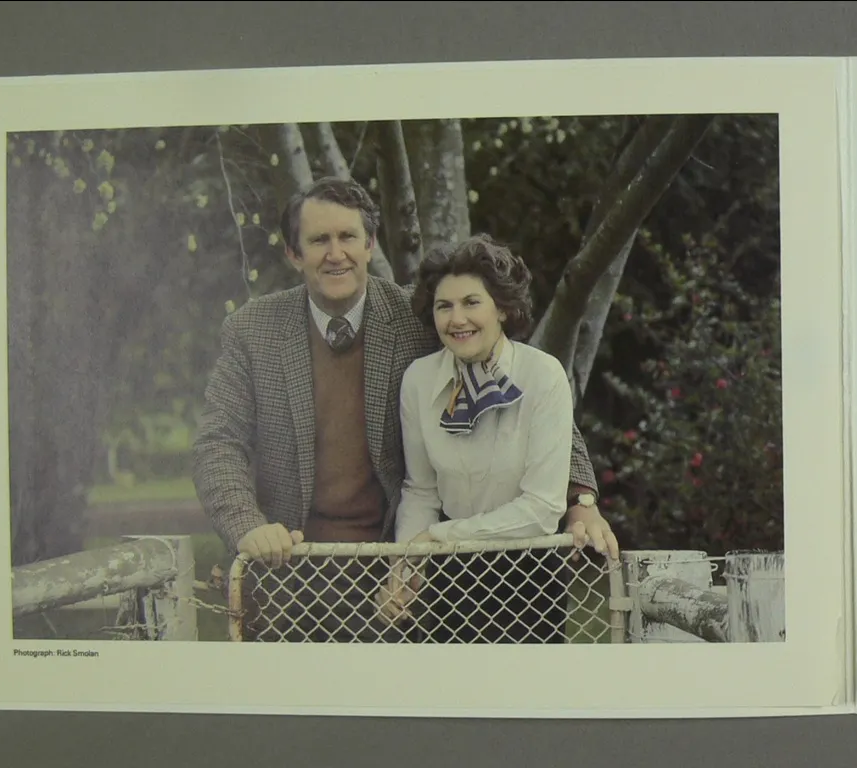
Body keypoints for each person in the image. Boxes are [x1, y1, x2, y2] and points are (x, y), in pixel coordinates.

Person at [192, 176, 607, 642]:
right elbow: (217, 441)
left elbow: (520, 383)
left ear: (369, 245)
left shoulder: (419, 315)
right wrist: (247, 527)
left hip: (388, 565)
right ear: (293, 254)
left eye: (348, 237)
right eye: (318, 240)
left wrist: (580, 498)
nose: (335, 253)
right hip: (288, 565)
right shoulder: (253, 330)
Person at [376, 234, 621, 643]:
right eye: (444, 306)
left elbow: (543, 508)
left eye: (472, 302)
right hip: (448, 575)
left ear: (503, 308)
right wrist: (405, 570)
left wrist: (438, 538)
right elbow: (420, 490)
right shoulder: (419, 380)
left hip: (528, 573)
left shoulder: (542, 376)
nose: (457, 319)